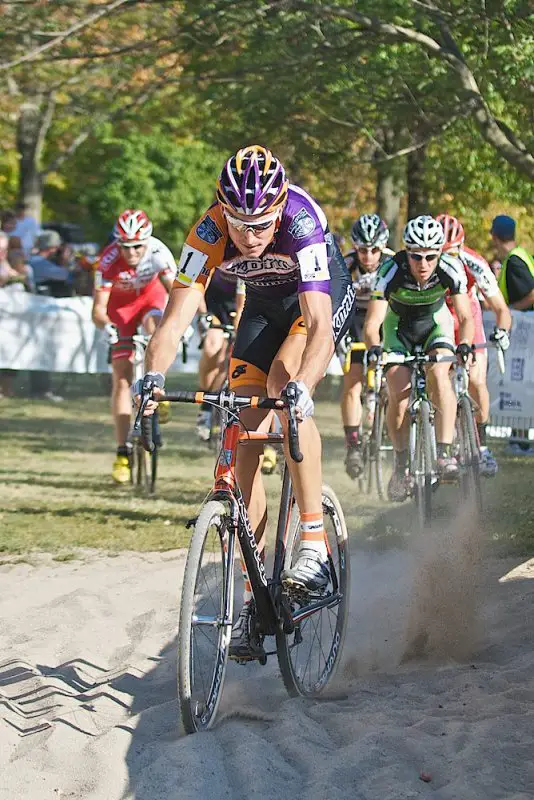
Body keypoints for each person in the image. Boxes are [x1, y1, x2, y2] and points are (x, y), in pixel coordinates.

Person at [136, 145, 355, 657]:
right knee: (242, 427)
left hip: (314, 302)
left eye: (261, 225)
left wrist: (305, 383)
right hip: (260, 307)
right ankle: (256, 587)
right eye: (240, 225)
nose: (251, 237)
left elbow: (320, 326)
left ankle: (315, 543)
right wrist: (153, 375)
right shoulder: (208, 232)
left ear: (279, 209)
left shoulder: (301, 221)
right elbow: (174, 319)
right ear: (222, 211)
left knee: (284, 385)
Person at [364, 214, 474, 502]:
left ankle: (445, 453)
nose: (423, 264)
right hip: (398, 330)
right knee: (398, 396)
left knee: (439, 374)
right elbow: (373, 321)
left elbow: (464, 315)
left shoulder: (452, 268)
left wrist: (464, 343)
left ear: (440, 253)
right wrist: (375, 347)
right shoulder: (390, 271)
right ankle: (401, 467)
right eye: (415, 256)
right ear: (406, 252)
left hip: (435, 325)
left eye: (430, 256)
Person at [92, 209, 177, 484]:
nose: (131, 253)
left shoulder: (159, 253)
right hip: (121, 311)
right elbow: (98, 310)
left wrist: (177, 326)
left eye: (137, 246)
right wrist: (109, 326)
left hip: (150, 300)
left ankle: (158, 386)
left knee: (157, 326)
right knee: (121, 380)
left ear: (148, 241)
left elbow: (177, 293)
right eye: (125, 246)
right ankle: (122, 452)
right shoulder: (106, 261)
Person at [437, 214, 512, 476]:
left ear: (462, 245)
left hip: (469, 317)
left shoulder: (475, 262)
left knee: (476, 380)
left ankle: (482, 446)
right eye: (442, 251)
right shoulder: (424, 260)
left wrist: (502, 331)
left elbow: (501, 309)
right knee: (439, 382)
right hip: (440, 318)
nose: (447, 257)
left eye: (452, 251)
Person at [340, 213, 392, 478]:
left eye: (374, 250)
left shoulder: (394, 264)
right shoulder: (345, 265)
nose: (368, 256)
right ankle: (353, 447)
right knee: (353, 382)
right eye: (362, 249)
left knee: (392, 379)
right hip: (354, 322)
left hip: (386, 321)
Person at [491, 214, 534, 453]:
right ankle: (519, 437)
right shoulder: (522, 255)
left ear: (495, 236)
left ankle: (520, 440)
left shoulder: (515, 261)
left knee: (519, 382)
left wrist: (507, 312)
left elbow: (531, 294)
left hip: (524, 333)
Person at [195, 272, 245, 442]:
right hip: (214, 306)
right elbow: (198, 288)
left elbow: (240, 307)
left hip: (243, 304)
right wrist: (203, 314)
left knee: (230, 353)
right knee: (212, 347)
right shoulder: (217, 252)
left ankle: (213, 405)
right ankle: (204, 402)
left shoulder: (246, 257)